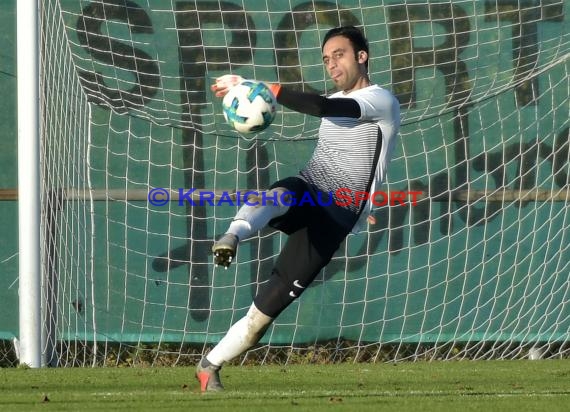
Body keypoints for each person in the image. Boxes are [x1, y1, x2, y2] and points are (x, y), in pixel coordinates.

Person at [196, 25, 400, 392]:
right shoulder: (336, 102)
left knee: (262, 316)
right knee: (278, 195)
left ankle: (209, 365)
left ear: (362, 56)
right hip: (310, 189)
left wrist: (265, 88)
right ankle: (233, 234)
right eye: (325, 59)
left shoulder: (380, 100)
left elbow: (324, 106)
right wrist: (249, 88)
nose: (331, 64)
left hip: (336, 216)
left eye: (338, 54)